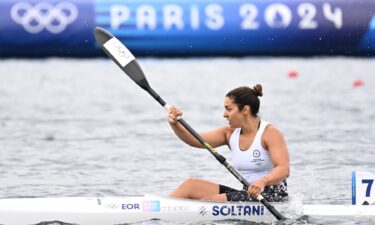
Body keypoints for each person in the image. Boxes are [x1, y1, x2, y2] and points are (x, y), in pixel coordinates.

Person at [167, 84, 290, 202]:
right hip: (248, 194)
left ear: (245, 110)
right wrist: (175, 124)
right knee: (190, 185)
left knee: (209, 202)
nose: (224, 114)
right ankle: (158, 213)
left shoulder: (269, 133)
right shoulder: (229, 133)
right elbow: (194, 139)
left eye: (228, 109)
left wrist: (263, 181)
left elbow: (284, 169)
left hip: (272, 196)